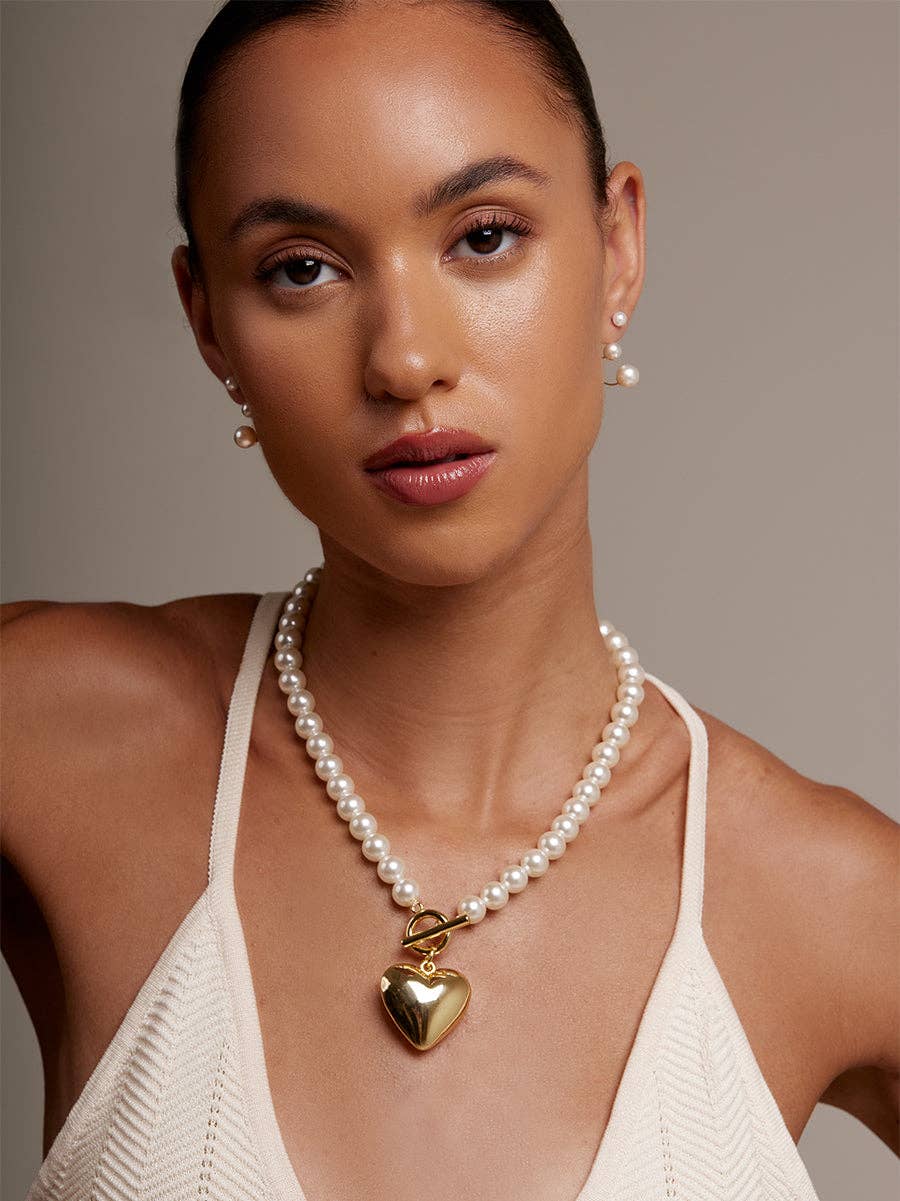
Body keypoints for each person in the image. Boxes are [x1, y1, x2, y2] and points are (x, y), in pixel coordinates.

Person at [3, 2, 897, 1198]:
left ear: (617, 245)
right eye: (301, 268)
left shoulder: (827, 900)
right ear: (210, 319)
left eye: (483, 237)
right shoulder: (51, 740)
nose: (404, 357)